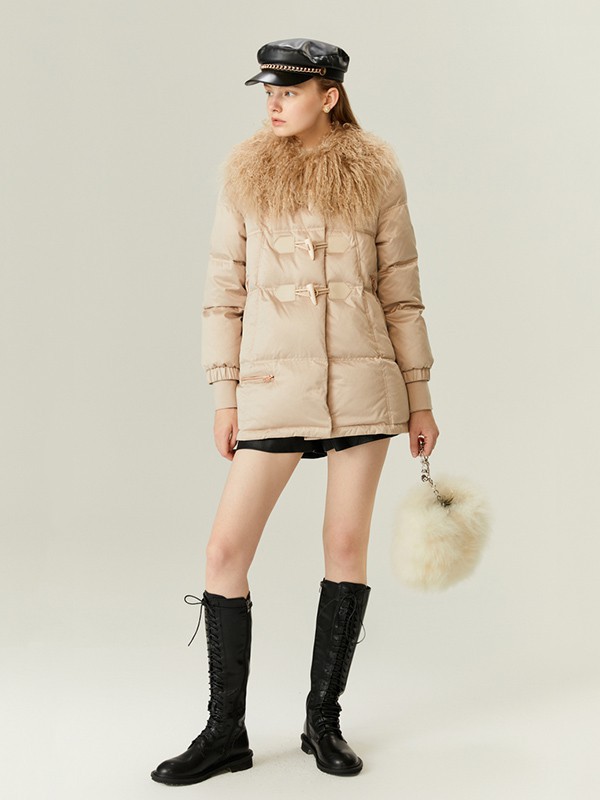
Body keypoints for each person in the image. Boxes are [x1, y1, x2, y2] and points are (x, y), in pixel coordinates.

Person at [151, 37, 440, 786]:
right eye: (269, 91)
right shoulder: (246, 175)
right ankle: (225, 732)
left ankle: (323, 720)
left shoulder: (376, 173)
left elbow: (402, 293)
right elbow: (223, 294)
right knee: (224, 553)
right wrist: (225, 395)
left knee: (344, 543)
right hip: (273, 383)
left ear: (329, 96)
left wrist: (420, 397)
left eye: (290, 90)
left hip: (364, 383)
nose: (274, 103)